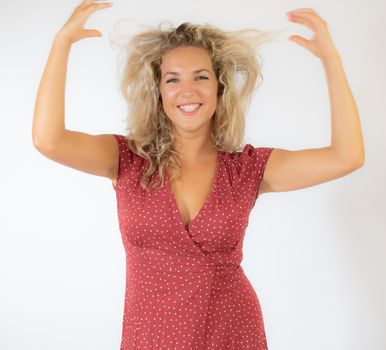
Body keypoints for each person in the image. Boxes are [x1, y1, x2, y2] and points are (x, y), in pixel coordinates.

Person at [32, 1, 365, 349]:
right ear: (158, 91)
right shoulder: (127, 160)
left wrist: (331, 60)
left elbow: (347, 157)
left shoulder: (246, 170)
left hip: (231, 331)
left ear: (219, 89)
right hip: (151, 337)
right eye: (172, 79)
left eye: (201, 77)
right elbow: (48, 139)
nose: (187, 91)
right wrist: (62, 44)